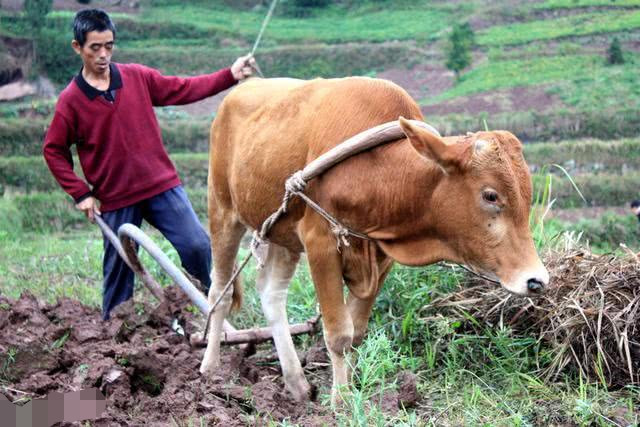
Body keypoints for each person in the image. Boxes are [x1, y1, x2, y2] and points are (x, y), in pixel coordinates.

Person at [43, 9, 255, 320]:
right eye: (95, 48)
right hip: (116, 200)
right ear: (78, 47)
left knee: (196, 246)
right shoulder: (71, 100)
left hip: (161, 187)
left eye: (109, 46)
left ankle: (218, 309)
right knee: (119, 271)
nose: (103, 55)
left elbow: (184, 89)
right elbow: (53, 150)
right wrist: (80, 193)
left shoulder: (136, 77)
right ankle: (115, 335)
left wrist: (229, 75)